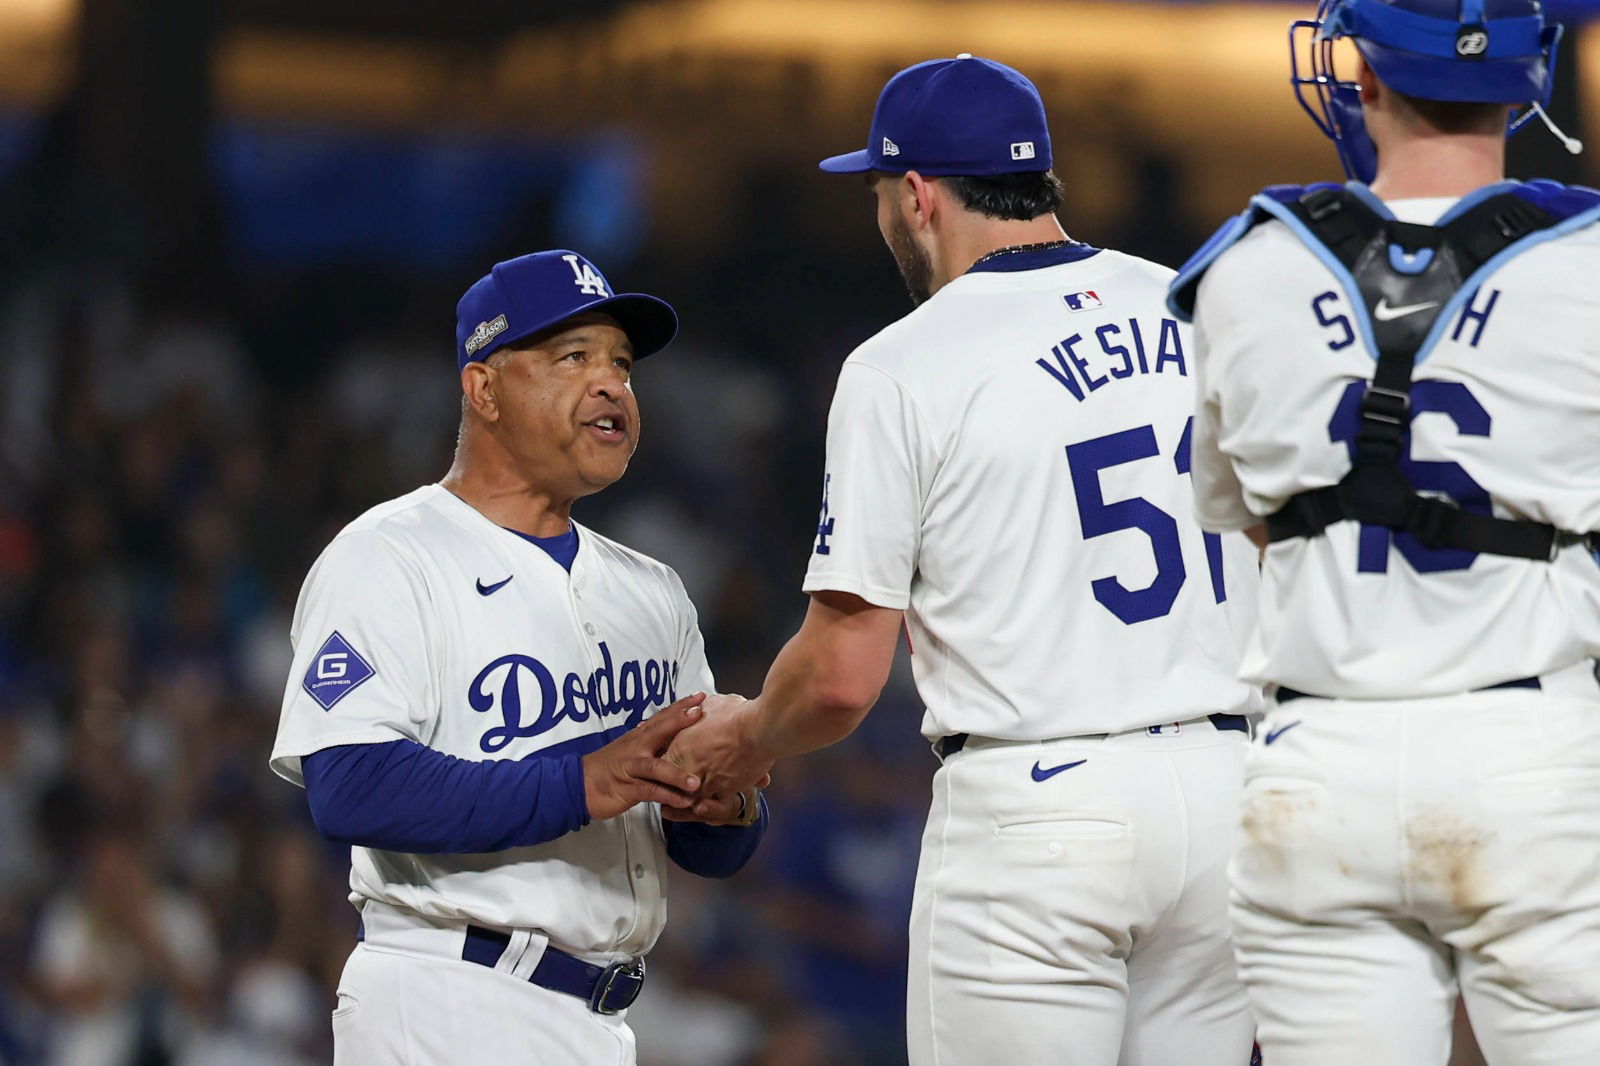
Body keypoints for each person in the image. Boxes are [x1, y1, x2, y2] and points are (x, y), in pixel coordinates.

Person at [668, 55, 1262, 1066]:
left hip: (1040, 809)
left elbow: (845, 678)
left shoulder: (905, 363)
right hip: (1228, 794)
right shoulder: (1194, 306)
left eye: (878, 196)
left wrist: (748, 736)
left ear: (916, 194)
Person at [1166, 1, 1600, 1062]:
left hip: (1320, 762)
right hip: (1528, 748)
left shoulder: (1242, 269)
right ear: (1529, 75)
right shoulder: (1586, 263)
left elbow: (1241, 519)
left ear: (1359, 70)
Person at [268, 250, 769, 1066]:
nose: (610, 385)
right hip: (446, 1000)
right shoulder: (390, 556)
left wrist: (723, 807)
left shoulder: (654, 591)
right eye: (573, 357)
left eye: (621, 364)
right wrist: (585, 780)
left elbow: (707, 847)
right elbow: (348, 787)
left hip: (602, 1014)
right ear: (484, 387)